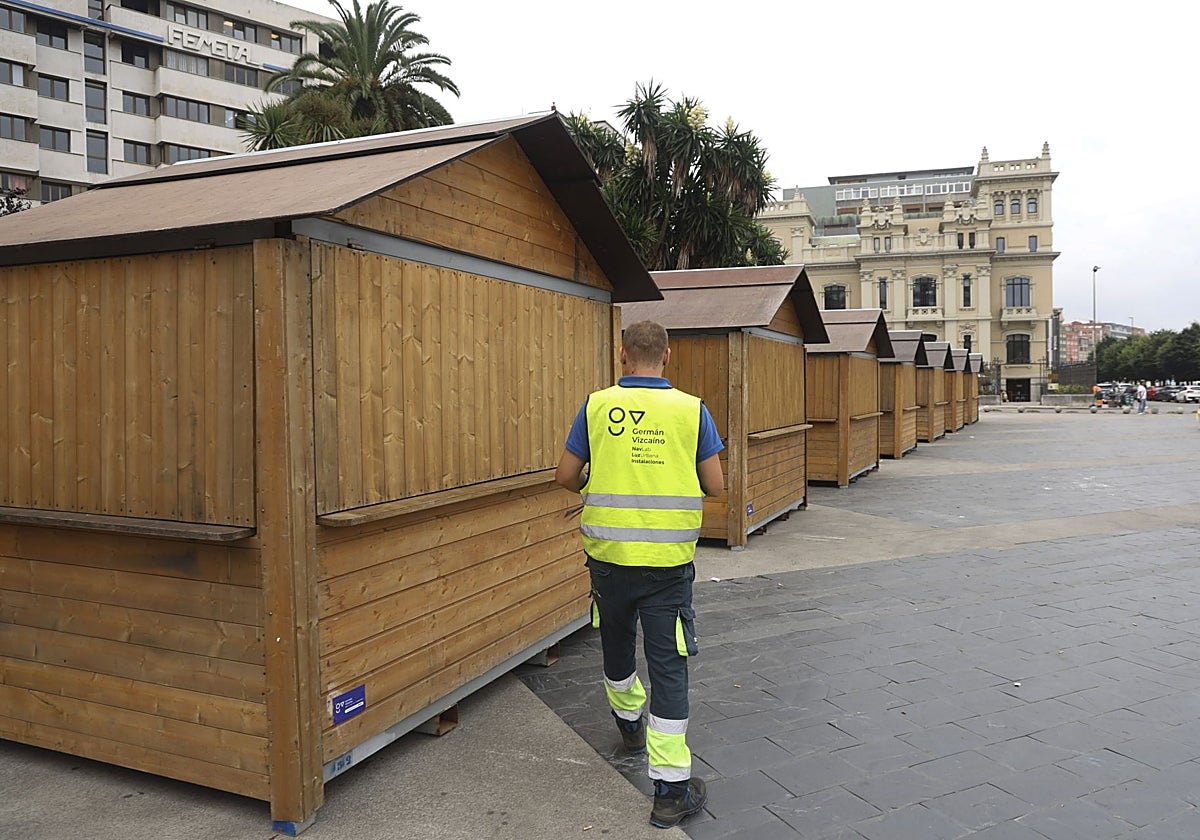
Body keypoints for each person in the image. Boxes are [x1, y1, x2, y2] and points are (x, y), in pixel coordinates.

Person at [555, 320, 724, 830]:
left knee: (614, 643)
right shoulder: (691, 409)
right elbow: (715, 486)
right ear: (667, 356)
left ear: (622, 354)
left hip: (608, 561)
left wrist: (600, 476)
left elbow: (565, 476)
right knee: (668, 666)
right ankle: (670, 791)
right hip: (667, 570)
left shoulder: (596, 405)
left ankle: (629, 724)